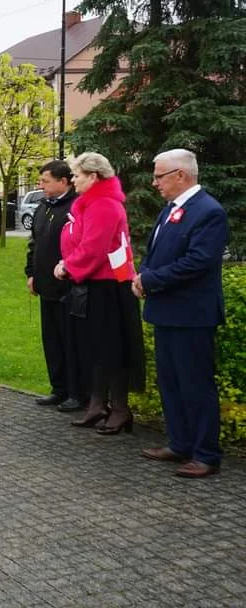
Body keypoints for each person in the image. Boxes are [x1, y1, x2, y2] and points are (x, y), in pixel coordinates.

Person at [134, 149, 229, 479]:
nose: (154, 182)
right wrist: (143, 274)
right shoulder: (172, 209)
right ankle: (179, 443)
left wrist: (151, 279)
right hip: (167, 311)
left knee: (195, 385)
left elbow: (197, 263)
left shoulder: (208, 212)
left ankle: (206, 454)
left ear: (180, 175)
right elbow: (157, 252)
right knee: (170, 382)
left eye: (159, 175)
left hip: (192, 314)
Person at [54, 152, 145, 435]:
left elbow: (94, 247)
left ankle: (119, 409)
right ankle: (97, 404)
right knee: (95, 349)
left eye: (78, 175)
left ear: (93, 177)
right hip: (93, 284)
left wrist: (68, 266)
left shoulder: (104, 205)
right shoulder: (89, 203)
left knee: (111, 350)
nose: (73, 180)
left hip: (109, 288)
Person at [24, 160, 84, 411]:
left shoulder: (75, 207)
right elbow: (34, 244)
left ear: (64, 181)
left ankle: (77, 392)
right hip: (45, 286)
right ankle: (58, 388)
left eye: (45, 181)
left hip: (68, 288)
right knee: (52, 341)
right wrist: (31, 273)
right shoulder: (42, 208)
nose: (41, 186)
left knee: (71, 341)